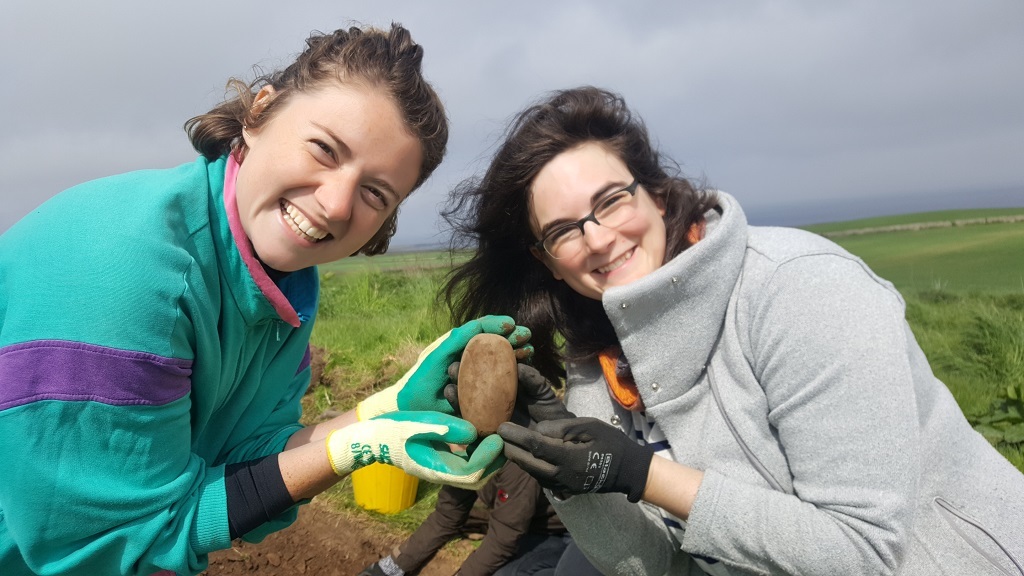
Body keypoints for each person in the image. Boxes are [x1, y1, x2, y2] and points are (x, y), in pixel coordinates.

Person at [0, 24, 521, 576]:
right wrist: (352, 450)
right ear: (261, 113)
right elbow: (118, 544)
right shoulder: (130, 268)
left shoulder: (284, 288)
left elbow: (244, 454)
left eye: (375, 193)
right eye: (325, 149)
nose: (337, 205)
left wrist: (382, 413)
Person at [439, 86, 1024, 575]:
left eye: (612, 201)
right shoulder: (597, 368)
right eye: (564, 230)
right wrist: (568, 479)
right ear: (546, 260)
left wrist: (644, 475)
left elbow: (864, 552)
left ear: (660, 195)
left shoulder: (798, 288)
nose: (597, 239)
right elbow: (659, 567)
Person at [358, 459, 600, 576]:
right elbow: (447, 516)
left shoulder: (517, 459)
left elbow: (503, 538)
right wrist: (388, 570)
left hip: (573, 534)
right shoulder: (463, 448)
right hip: (526, 526)